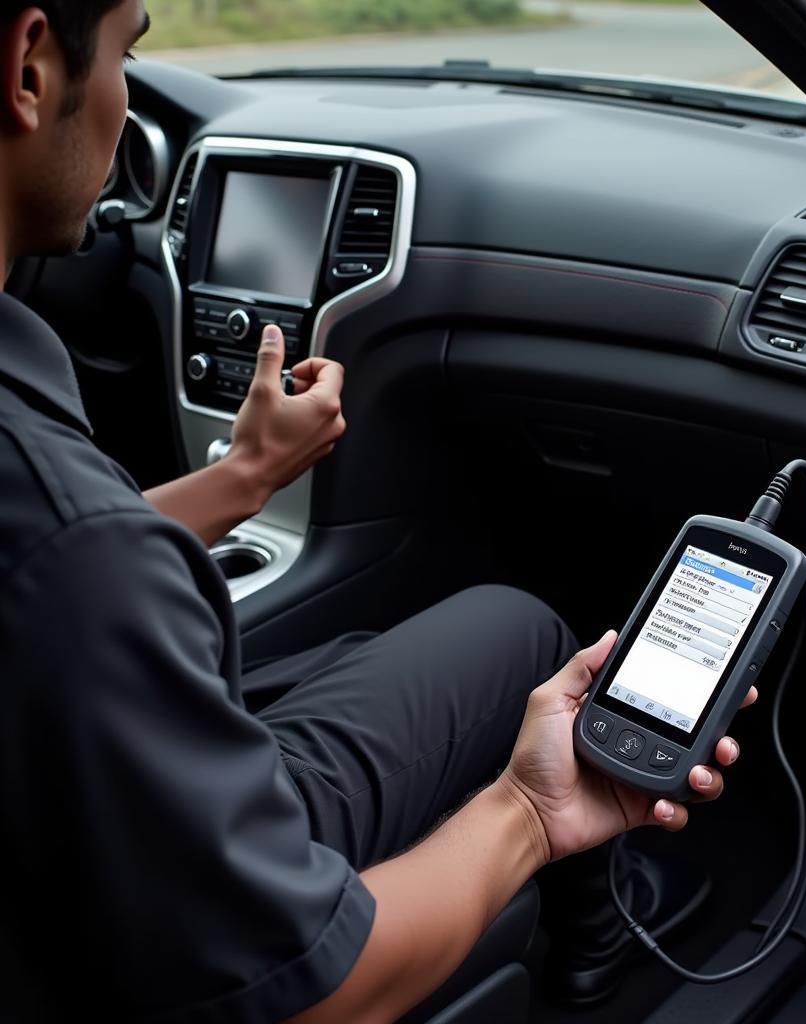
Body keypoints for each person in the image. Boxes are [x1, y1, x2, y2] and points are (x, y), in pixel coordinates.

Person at [0, 2, 754, 1021]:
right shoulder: (82, 554)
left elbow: (46, 582)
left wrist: (243, 476)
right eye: (130, 51)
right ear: (31, 69)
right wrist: (532, 811)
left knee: (348, 645)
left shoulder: (67, 544)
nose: (127, 99)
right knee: (520, 630)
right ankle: (591, 965)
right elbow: (314, 991)